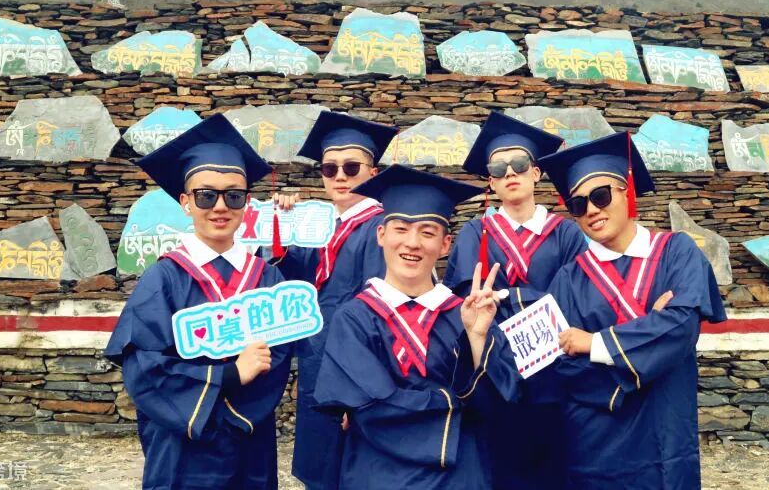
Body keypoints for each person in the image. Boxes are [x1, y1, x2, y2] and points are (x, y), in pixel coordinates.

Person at [106, 115, 291, 490]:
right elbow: (144, 367)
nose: (220, 207)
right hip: (182, 443)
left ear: (246, 203)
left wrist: (236, 413)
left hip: (249, 439)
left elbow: (278, 358)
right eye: (206, 195)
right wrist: (228, 376)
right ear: (186, 202)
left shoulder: (268, 279)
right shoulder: (163, 279)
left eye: (233, 196)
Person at [538, 131, 727, 490]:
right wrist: (652, 331)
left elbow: (682, 327)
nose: (591, 210)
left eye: (601, 195)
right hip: (596, 441)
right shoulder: (569, 278)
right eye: (578, 204)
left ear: (627, 190)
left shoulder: (676, 252)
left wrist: (594, 344)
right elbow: (559, 364)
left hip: (664, 432)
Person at [313, 164, 521, 490]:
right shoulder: (354, 319)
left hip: (460, 477)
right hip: (376, 474)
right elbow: (370, 407)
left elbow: (498, 403)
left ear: (445, 244)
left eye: (427, 232)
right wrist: (455, 405)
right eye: (400, 229)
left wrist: (478, 338)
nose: (412, 243)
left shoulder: (466, 315)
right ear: (381, 235)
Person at [443, 110, 587, 490]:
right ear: (491, 181)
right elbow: (466, 302)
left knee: (556, 470)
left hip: (556, 370)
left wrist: (509, 297)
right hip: (495, 371)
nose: (510, 172)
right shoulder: (475, 233)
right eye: (498, 167)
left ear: (536, 173)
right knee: (499, 467)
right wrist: (536, 299)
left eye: (520, 164)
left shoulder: (566, 234)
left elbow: (578, 299)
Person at [270, 110, 398, 490]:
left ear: (373, 173)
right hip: (317, 362)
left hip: (354, 371)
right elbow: (292, 281)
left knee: (354, 469)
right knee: (322, 468)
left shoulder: (382, 228)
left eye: (351, 167)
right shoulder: (318, 225)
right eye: (329, 168)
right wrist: (282, 225)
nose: (340, 176)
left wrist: (355, 389)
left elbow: (378, 314)